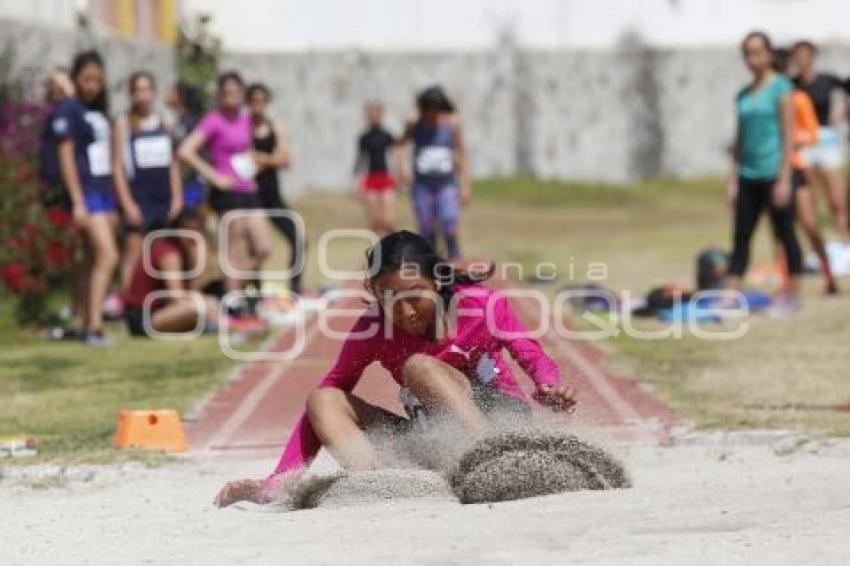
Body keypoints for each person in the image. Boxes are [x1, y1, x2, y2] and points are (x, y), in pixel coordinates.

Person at [213, 230, 577, 507]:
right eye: (389, 299)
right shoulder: (373, 329)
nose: (404, 313)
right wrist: (279, 481)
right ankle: (375, 483)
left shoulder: (482, 306)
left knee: (418, 366)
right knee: (322, 398)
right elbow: (325, 403)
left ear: (438, 281)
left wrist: (548, 388)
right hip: (433, 440)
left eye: (415, 295)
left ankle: (493, 463)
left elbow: (531, 353)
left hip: (498, 425)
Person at [178, 71, 271, 312]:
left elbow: (246, 149)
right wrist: (213, 176)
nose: (232, 96)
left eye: (237, 92)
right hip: (226, 192)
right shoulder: (213, 120)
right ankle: (234, 302)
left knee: (263, 247)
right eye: (227, 92)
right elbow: (186, 151)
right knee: (234, 247)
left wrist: (254, 164)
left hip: (248, 189)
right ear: (220, 95)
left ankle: (232, 290)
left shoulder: (245, 120)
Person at [727, 32, 802, 313]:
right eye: (747, 53)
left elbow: (789, 135)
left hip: (774, 173)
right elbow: (739, 141)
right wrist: (732, 179)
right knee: (741, 235)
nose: (752, 58)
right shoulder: (743, 96)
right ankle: (732, 294)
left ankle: (793, 295)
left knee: (785, 233)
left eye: (757, 52)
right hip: (748, 175)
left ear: (770, 54)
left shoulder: (782, 88)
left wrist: (785, 178)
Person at [54, 50, 120, 346]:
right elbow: (66, 157)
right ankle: (94, 326)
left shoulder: (100, 112)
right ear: (76, 79)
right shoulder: (71, 109)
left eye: (97, 80)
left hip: (104, 192)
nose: (92, 85)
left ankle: (83, 319)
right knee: (109, 255)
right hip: (87, 193)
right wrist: (78, 200)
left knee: (91, 258)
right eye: (86, 79)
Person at [773, 47, 839, 295]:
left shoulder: (798, 98)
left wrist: (792, 140)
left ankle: (829, 275)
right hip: (771, 169)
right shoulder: (766, 99)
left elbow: (812, 133)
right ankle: (786, 283)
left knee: (810, 224)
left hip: (796, 168)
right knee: (779, 230)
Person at [115, 71, 183, 290]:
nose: (143, 96)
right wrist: (127, 203)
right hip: (138, 195)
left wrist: (177, 197)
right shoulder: (124, 124)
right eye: (138, 91)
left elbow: (173, 163)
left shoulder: (165, 122)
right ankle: (128, 301)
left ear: (154, 93)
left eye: (147, 90)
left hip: (163, 194)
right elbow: (118, 167)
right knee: (134, 250)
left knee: (166, 247)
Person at [396, 85, 471, 260]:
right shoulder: (414, 124)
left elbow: (462, 152)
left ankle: (454, 256)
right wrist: (402, 170)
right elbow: (401, 145)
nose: (432, 116)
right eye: (428, 111)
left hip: (446, 183)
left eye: (436, 111)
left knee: (449, 222)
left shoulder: (452, 124)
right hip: (422, 184)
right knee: (426, 226)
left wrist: (465, 185)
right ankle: (432, 261)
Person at [247, 82, 306, 296]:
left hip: (272, 197)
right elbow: (245, 157)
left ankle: (295, 287)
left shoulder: (274, 127)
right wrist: (272, 159)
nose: (258, 105)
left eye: (262, 100)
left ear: (268, 102)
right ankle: (255, 292)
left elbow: (286, 159)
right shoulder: (243, 127)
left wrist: (263, 159)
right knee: (256, 248)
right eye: (254, 100)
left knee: (299, 239)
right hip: (251, 198)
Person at [122, 208, 218, 336]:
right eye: (189, 231)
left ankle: (213, 327)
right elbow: (176, 298)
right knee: (197, 308)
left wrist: (197, 258)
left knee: (211, 302)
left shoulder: (185, 252)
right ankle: (210, 326)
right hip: (145, 317)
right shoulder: (168, 253)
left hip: (164, 311)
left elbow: (194, 290)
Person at [791, 40, 850, 242]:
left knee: (837, 199)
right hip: (804, 141)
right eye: (798, 54)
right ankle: (818, 247)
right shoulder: (792, 84)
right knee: (809, 199)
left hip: (826, 138)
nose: (801, 58)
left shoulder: (827, 80)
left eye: (805, 54)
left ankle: (845, 242)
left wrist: (844, 113)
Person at [354, 100, 398, 236]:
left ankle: (393, 248)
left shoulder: (388, 136)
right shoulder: (364, 138)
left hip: (386, 177)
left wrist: (398, 175)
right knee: (375, 220)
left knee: (388, 220)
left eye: (376, 113)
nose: (373, 116)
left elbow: (396, 155)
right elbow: (360, 160)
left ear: (381, 115)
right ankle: (378, 251)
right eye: (371, 114)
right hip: (370, 179)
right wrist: (358, 183)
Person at [167, 81, 207, 213]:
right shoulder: (179, 120)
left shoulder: (189, 122)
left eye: (172, 91)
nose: (167, 94)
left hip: (191, 180)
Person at [38, 67, 74, 208]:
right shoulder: (55, 112)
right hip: (53, 181)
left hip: (66, 182)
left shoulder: (69, 111)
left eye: (61, 87)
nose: (57, 89)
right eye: (54, 85)